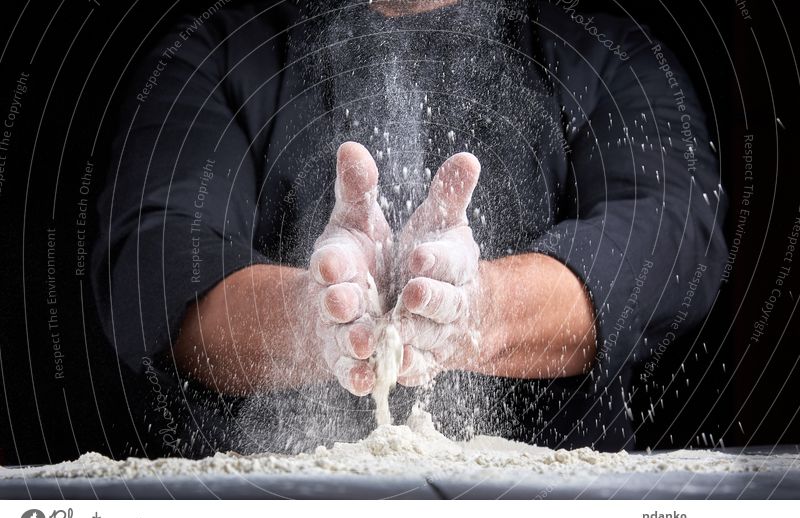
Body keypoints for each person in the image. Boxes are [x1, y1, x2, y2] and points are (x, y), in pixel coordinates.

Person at [93, 0, 726, 456]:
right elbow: (152, 259)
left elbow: (670, 238)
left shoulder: (605, 50)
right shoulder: (220, 49)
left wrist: (483, 309)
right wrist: (313, 320)